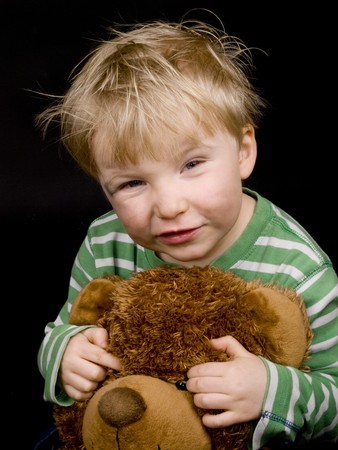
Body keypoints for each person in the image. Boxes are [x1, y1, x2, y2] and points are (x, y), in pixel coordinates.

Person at [36, 15, 338, 449]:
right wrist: (65, 354)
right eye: (132, 183)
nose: (170, 205)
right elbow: (63, 327)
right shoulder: (107, 242)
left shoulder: (299, 268)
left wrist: (270, 390)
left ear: (243, 152)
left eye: (192, 165)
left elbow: (333, 398)